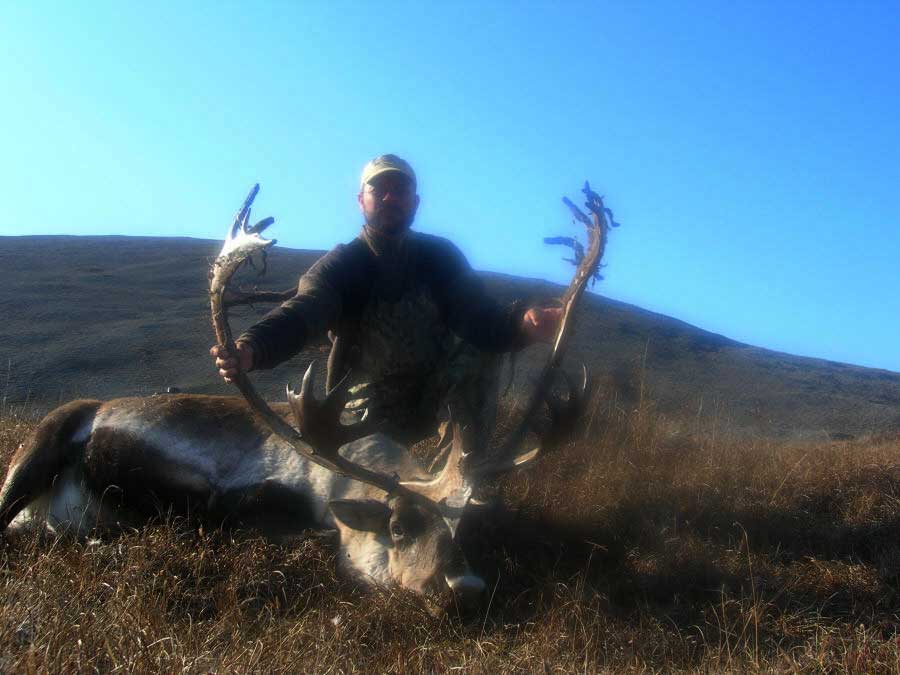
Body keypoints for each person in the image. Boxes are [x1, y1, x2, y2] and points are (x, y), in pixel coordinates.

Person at [211, 154, 561, 447]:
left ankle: (468, 469)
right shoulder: (343, 265)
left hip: (433, 395)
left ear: (416, 202)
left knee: (480, 351)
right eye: (379, 189)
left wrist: (523, 324)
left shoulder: (440, 256)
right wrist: (252, 348)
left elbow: (482, 321)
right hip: (366, 411)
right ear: (360, 200)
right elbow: (306, 311)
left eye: (401, 190)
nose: (390, 197)